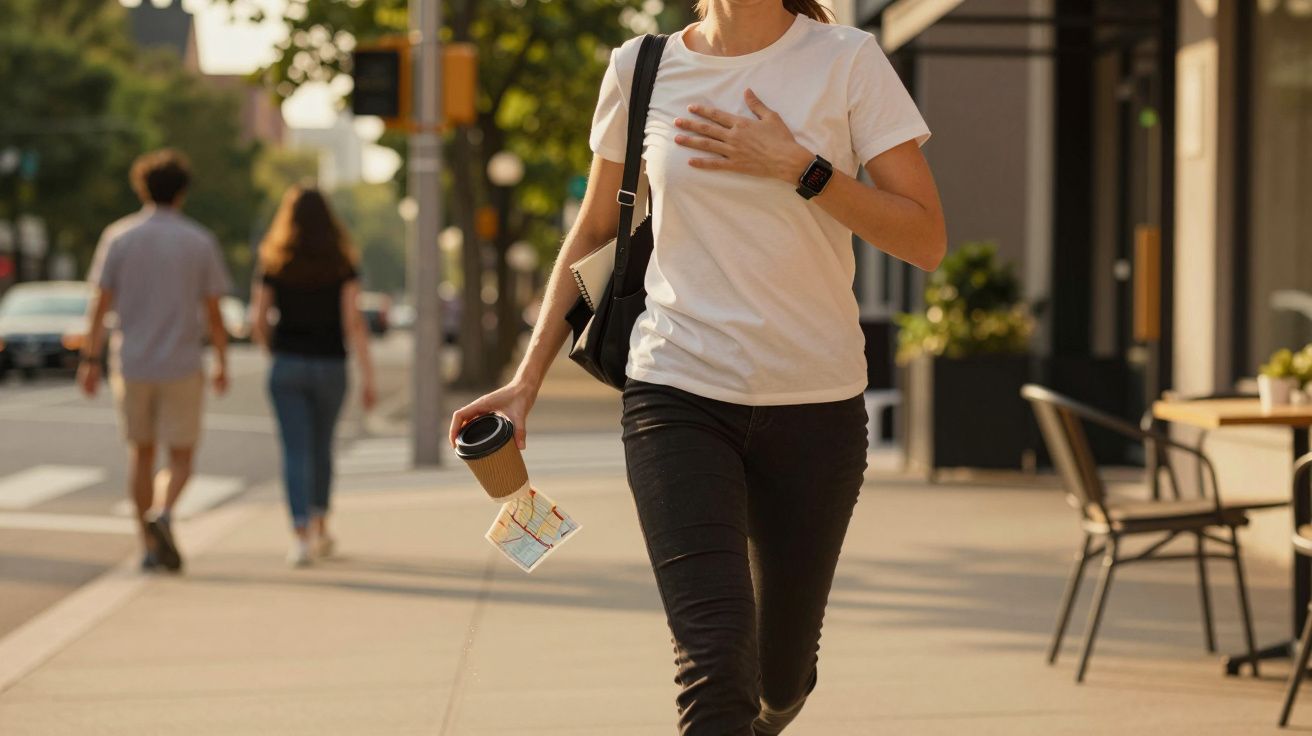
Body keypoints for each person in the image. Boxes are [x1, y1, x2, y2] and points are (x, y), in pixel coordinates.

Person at [452, 2, 946, 733]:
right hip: (676, 394)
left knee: (779, 678)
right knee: (716, 666)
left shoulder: (846, 59)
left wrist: (801, 169)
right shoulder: (640, 69)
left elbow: (925, 238)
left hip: (816, 405)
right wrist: (527, 381)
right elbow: (593, 234)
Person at [80, 149, 232, 574]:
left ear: (142, 188)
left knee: (140, 455)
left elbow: (99, 304)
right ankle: (163, 512)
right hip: (182, 363)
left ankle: (147, 545)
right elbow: (215, 311)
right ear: (182, 192)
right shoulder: (199, 241)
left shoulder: (119, 237)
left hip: (131, 363)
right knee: (181, 457)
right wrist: (221, 360)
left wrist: (89, 359)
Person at [250, 186, 376, 567]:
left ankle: (300, 534)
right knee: (322, 448)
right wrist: (368, 376)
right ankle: (321, 525)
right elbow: (353, 322)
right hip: (330, 365)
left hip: (287, 363)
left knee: (295, 451)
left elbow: (258, 319)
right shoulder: (341, 262)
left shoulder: (274, 260)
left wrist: (274, 351)